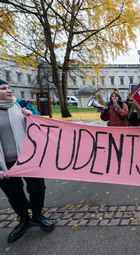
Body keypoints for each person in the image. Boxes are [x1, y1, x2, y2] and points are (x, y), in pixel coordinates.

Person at [0, 79, 55, 243]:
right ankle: (24, 219)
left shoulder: (21, 104)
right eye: (3, 88)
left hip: (29, 157)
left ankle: (37, 216)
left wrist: (31, 116)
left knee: (38, 187)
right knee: (14, 193)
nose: (9, 91)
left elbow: (39, 118)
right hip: (5, 164)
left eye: (9, 88)